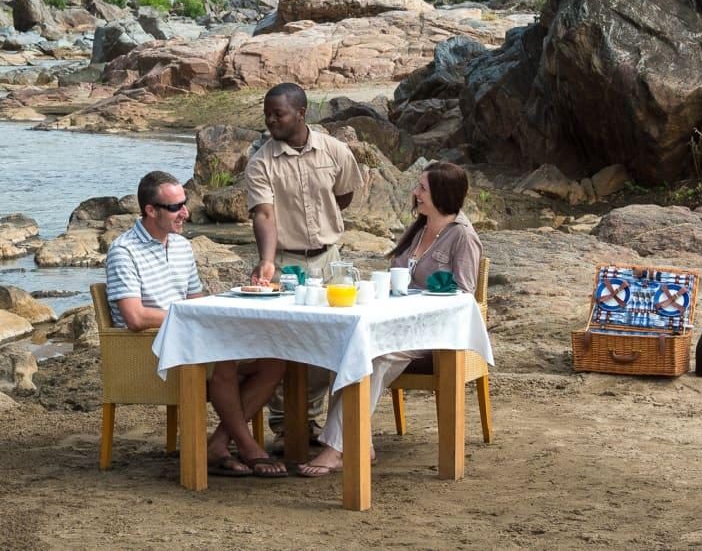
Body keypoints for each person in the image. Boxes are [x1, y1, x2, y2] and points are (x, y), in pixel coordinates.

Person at [298, 160, 482, 477]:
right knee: (349, 348)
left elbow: (464, 296)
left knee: (376, 357)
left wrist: (423, 299)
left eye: (422, 188)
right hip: (398, 322)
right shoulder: (420, 229)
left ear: (441, 193)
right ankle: (359, 440)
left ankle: (335, 448)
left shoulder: (462, 237)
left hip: (433, 332)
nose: (415, 193)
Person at [106, 170, 288, 477]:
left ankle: (218, 444)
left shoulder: (180, 246)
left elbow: (196, 301)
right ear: (151, 211)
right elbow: (135, 318)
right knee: (225, 362)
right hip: (148, 351)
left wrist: (237, 299)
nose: (186, 212)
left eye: (184, 203)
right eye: (176, 207)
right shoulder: (124, 251)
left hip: (188, 340)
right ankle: (248, 446)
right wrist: (192, 318)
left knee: (275, 360)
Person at [244, 82, 360, 443]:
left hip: (328, 261)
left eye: (278, 114)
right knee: (279, 343)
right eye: (267, 114)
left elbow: (344, 193)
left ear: (301, 113)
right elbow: (264, 214)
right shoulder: (261, 162)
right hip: (284, 262)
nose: (270, 121)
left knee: (327, 344)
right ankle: (283, 426)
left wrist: (322, 229)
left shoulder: (334, 150)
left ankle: (310, 419)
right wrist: (266, 261)